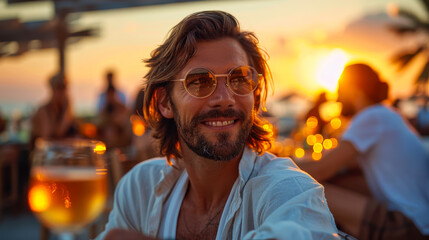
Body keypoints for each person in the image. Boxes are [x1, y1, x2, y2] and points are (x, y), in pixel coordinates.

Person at [96, 11, 340, 240]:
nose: (225, 97)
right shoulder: (141, 189)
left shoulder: (288, 192)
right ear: (165, 102)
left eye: (239, 78)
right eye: (200, 80)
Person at [299, 63, 429, 240]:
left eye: (339, 89)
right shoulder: (386, 114)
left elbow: (322, 168)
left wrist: (275, 164)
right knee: (340, 180)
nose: (336, 98)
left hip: (410, 227)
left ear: (353, 90)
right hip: (419, 220)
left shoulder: (371, 116)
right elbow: (335, 162)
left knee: (306, 187)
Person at [30, 72, 76, 149]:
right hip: (43, 155)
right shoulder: (43, 110)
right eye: (60, 87)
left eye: (65, 87)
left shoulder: (63, 110)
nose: (63, 91)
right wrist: (66, 109)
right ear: (52, 88)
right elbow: (50, 138)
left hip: (58, 153)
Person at [97, 85, 133, 149]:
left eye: (111, 94)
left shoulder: (120, 106)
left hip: (119, 135)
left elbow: (126, 116)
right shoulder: (105, 108)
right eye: (108, 95)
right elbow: (101, 119)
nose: (110, 97)